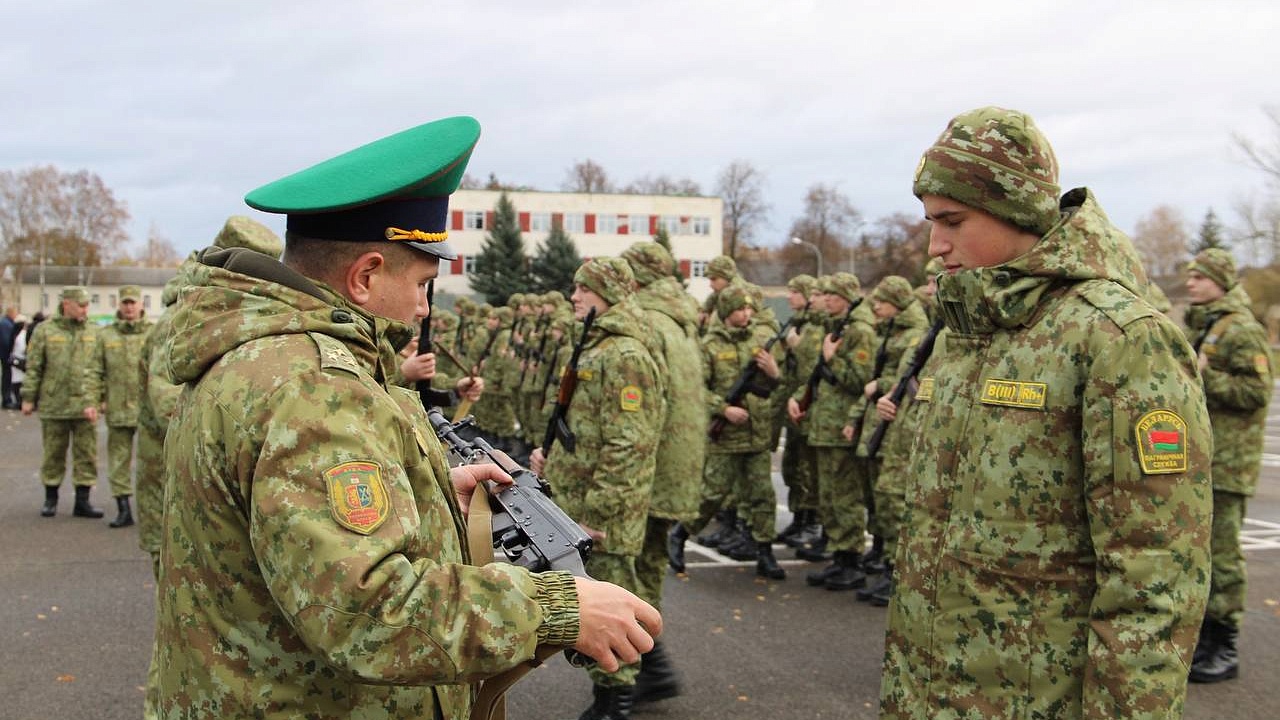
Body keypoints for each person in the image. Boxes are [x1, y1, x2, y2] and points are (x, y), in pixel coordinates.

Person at [153, 117, 660, 720]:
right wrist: (557, 608)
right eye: (422, 282)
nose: (423, 304)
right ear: (365, 276)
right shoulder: (314, 387)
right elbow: (365, 609)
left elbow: (288, 519)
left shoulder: (266, 356)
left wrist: (428, 487)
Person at [880, 106, 1212, 720]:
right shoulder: (965, 334)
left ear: (1018, 213)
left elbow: (1153, 576)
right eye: (930, 222)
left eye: (953, 221)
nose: (935, 246)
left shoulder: (1119, 338)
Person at [530, 257, 664, 720]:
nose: (574, 296)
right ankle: (619, 689)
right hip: (582, 504)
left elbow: (630, 444)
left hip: (603, 512)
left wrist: (600, 516)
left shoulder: (625, 354)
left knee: (611, 603)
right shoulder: (594, 346)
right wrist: (552, 457)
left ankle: (616, 702)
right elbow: (587, 427)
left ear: (605, 291)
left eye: (582, 289)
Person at [620, 240, 705, 706]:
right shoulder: (681, 323)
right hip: (678, 468)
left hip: (650, 468)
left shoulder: (648, 324)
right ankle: (652, 665)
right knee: (649, 566)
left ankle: (641, 670)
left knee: (623, 567)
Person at [1183, 247, 1273, 683]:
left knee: (1223, 556)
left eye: (1199, 277)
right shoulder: (1207, 324)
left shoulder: (1241, 330)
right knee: (1200, 554)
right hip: (1204, 457)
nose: (1190, 283)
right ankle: (1205, 639)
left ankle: (1225, 645)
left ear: (1220, 280)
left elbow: (1256, 392)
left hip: (1230, 461)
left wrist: (1205, 374)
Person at [786, 272, 876, 590]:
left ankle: (850, 559)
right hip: (825, 424)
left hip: (841, 425)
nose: (823, 298)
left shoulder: (860, 331)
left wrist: (832, 359)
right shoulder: (836, 327)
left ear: (845, 297)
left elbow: (859, 380)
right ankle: (838, 556)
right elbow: (818, 376)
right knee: (828, 495)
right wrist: (800, 398)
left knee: (844, 496)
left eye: (830, 294)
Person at [848, 275, 928, 604]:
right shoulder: (891, 331)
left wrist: (881, 386)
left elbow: (904, 378)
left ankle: (896, 572)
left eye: (881, 300)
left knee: (894, 499)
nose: (875, 306)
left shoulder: (914, 334)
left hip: (902, 424)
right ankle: (886, 561)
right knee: (880, 497)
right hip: (886, 419)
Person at [22, 286, 104, 518]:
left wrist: (102, 399)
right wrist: (28, 397)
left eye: (87, 305)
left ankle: (83, 501)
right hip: (54, 404)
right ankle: (51, 498)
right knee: (53, 454)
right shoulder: (45, 331)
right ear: (66, 304)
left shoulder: (94, 332)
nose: (85, 310)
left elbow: (101, 369)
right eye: (81, 305)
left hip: (85, 406)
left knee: (86, 455)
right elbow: (34, 366)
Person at [87, 285, 154, 528]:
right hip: (117, 408)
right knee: (118, 461)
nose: (128, 307)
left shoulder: (154, 333)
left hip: (149, 412)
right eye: (124, 303)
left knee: (153, 463)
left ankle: (154, 512)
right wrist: (92, 401)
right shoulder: (106, 336)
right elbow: (95, 371)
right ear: (119, 305)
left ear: (140, 305)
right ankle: (123, 507)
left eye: (132, 302)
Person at [1, 305, 17, 409]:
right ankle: (7, 400)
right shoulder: (6, 324)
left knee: (6, 377)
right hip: (5, 355)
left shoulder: (5, 323)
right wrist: (10, 353)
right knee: (7, 377)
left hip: (4, 354)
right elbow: (7, 341)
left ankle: (7, 399)